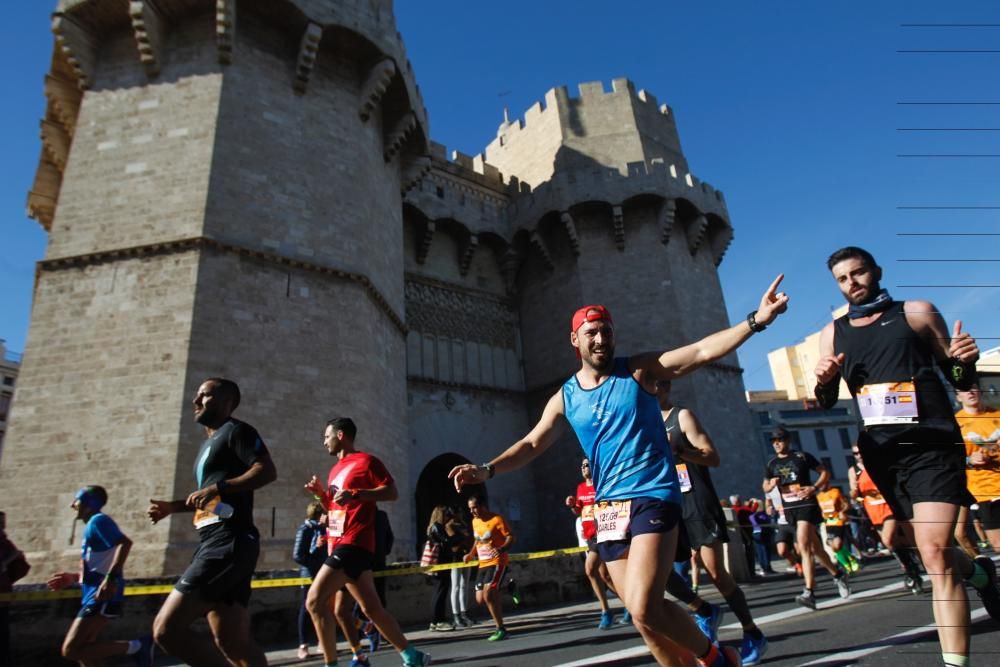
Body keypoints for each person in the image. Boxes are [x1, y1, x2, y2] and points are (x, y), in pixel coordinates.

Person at [450, 276, 789, 667]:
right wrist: (487, 469)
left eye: (606, 332)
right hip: (610, 510)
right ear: (574, 340)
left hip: (653, 496)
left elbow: (698, 352)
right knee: (647, 623)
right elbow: (531, 444)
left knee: (644, 607)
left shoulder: (640, 372)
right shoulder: (566, 396)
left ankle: (717, 659)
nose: (600, 339)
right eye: (591, 333)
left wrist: (756, 320)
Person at [814, 246, 1000, 666]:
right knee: (927, 550)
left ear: (876, 271)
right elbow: (825, 401)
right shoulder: (833, 333)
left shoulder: (916, 312)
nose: (852, 284)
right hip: (882, 454)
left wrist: (963, 362)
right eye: (842, 279)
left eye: (858, 274)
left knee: (935, 552)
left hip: (931, 444)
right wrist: (824, 381)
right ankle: (981, 573)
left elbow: (957, 377)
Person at [147, 377, 277, 667]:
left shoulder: (237, 431)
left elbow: (266, 471)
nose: (196, 401)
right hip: (218, 541)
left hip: (227, 544)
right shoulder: (208, 445)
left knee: (166, 631)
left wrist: (219, 488)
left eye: (204, 395)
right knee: (234, 643)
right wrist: (174, 507)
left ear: (227, 402)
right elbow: (209, 498)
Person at [657, 379, 768, 666]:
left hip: (697, 501)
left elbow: (712, 457)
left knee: (716, 572)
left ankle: (752, 633)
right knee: (659, 572)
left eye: (656, 386)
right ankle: (703, 609)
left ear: (666, 388)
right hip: (668, 504)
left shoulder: (682, 416)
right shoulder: (645, 424)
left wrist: (680, 452)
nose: (650, 392)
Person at [304, 417, 430, 667]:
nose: (323, 441)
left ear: (340, 435)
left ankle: (331, 664)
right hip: (340, 543)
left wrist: (359, 494)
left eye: (326, 436)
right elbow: (333, 510)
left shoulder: (367, 462)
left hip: (354, 542)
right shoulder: (335, 470)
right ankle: (412, 656)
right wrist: (321, 494)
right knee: (371, 609)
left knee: (314, 601)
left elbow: (392, 492)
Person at [48, 486, 154, 667]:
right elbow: (99, 565)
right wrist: (73, 578)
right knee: (86, 652)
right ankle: (138, 647)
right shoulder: (93, 525)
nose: (73, 505)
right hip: (96, 593)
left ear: (89, 504)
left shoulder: (98, 521)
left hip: (100, 596)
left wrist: (110, 578)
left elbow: (125, 543)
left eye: (77, 501)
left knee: (71, 650)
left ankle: (137, 647)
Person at [763, 426, 850, 609]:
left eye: (780, 440)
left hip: (806, 505)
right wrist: (770, 486)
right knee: (815, 548)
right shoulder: (771, 464)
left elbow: (825, 472)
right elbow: (765, 486)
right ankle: (837, 574)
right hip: (789, 508)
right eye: (773, 441)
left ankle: (809, 591)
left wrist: (814, 488)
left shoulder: (802, 457)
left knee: (803, 545)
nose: (777, 444)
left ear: (788, 440)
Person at [849, 445, 924, 594]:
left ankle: (911, 565)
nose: (859, 455)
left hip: (889, 506)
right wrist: (854, 492)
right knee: (893, 542)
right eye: (855, 453)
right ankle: (911, 565)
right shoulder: (854, 471)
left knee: (888, 540)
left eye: (860, 452)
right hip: (873, 510)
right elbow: (852, 491)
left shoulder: (878, 463)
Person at [565, 457, 628, 629]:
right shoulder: (580, 488)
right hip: (590, 536)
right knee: (605, 576)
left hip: (604, 532)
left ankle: (606, 611)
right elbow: (579, 511)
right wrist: (572, 505)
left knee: (590, 569)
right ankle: (629, 604)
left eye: (588, 465)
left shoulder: (601, 484)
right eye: (582, 465)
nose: (585, 468)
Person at [955, 383, 1000, 552]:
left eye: (973, 388)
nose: (970, 393)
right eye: (964, 390)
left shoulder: (997, 415)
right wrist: (969, 459)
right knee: (997, 545)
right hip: (982, 489)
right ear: (958, 397)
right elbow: (952, 458)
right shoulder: (956, 423)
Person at [464, 495, 514, 641]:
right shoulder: (475, 521)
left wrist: (502, 548)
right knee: (480, 599)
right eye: (470, 509)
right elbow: (477, 540)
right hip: (483, 564)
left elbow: (511, 536)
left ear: (482, 506)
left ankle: (501, 629)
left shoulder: (497, 519)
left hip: (497, 561)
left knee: (489, 594)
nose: (472, 511)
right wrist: (471, 553)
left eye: (474, 507)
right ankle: (508, 587)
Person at [293, 501, 328, 660]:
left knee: (323, 608)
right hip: (310, 575)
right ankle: (303, 645)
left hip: (322, 574)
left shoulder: (324, 530)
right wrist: (316, 555)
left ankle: (322, 642)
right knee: (307, 609)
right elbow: (298, 555)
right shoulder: (305, 529)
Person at [0, 510, 29, 666]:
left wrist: (13, 558)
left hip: (3, 601)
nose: (3, 527)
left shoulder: (5, 543)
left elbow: (18, 567)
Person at [815, 485, 859, 573]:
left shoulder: (835, 492)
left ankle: (851, 559)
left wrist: (842, 512)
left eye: (822, 485)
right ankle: (847, 563)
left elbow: (846, 504)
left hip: (838, 521)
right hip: (828, 523)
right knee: (833, 547)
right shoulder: (818, 496)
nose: (820, 487)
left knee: (838, 544)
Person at [426, 505, 455, 631]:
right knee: (440, 592)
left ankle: (436, 620)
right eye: (446, 514)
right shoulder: (437, 527)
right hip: (441, 563)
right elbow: (446, 543)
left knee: (439, 591)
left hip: (440, 563)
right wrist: (454, 536)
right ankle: (438, 621)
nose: (448, 517)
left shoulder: (434, 527)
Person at [445, 507, 474, 628]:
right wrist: (463, 536)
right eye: (459, 512)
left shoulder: (463, 524)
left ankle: (464, 613)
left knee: (464, 585)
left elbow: (469, 538)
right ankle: (456, 615)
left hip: (466, 556)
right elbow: (454, 540)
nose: (461, 514)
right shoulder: (449, 525)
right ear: (454, 514)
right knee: (455, 586)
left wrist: (464, 537)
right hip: (455, 557)